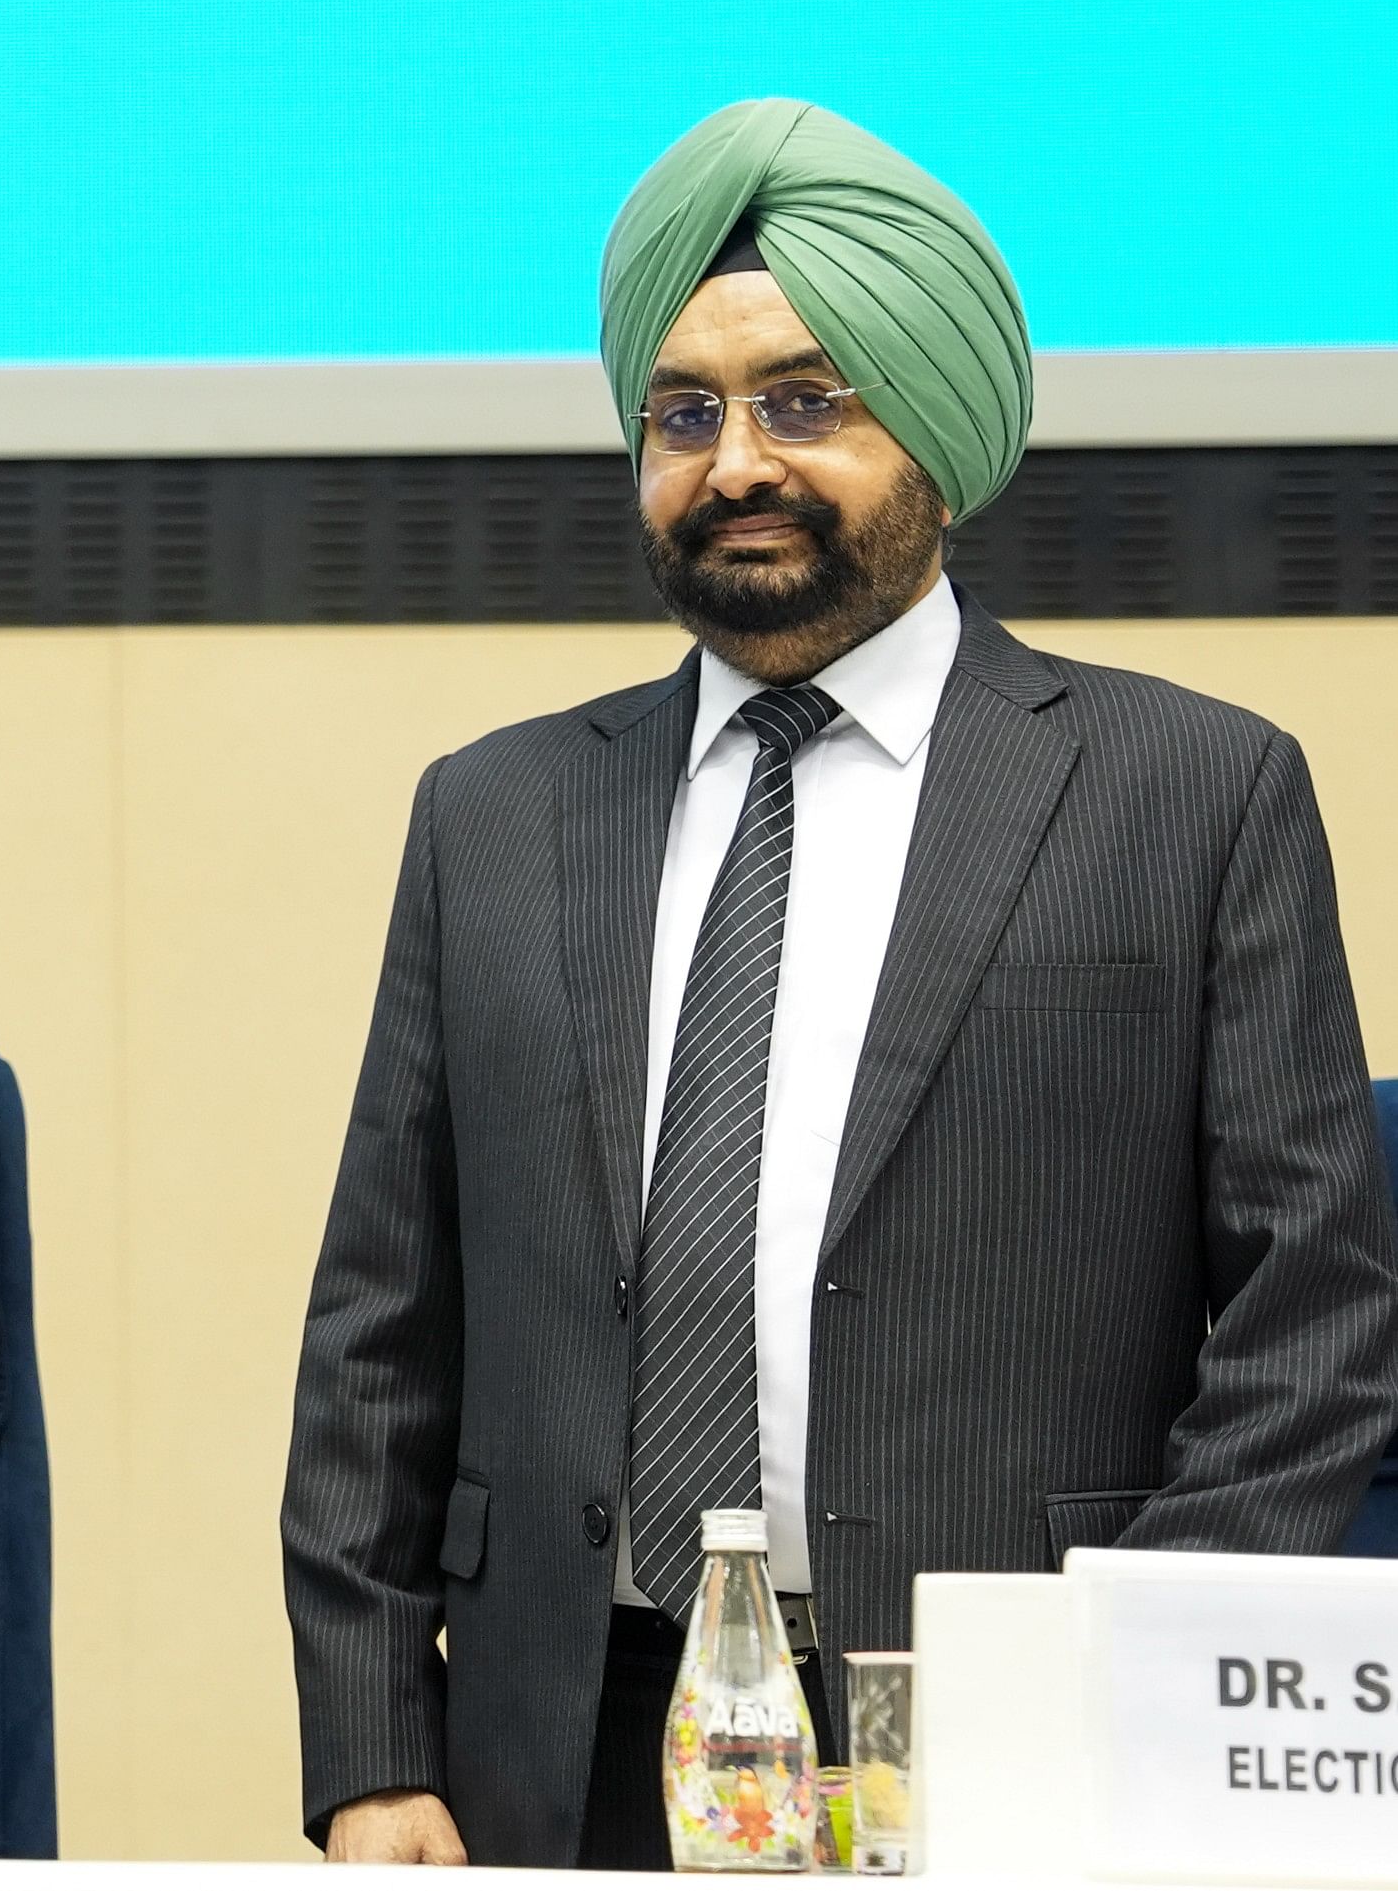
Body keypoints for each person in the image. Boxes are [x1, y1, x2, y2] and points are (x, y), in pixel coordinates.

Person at [281, 100, 1398, 1868]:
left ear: (939, 438)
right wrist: (367, 1745)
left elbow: (1314, 1319)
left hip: (1013, 1734)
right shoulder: (490, 813)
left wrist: (1141, 1694)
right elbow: (377, 1329)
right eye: (681, 414)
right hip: (557, 1737)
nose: (732, 462)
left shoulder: (1191, 789)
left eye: (805, 401)